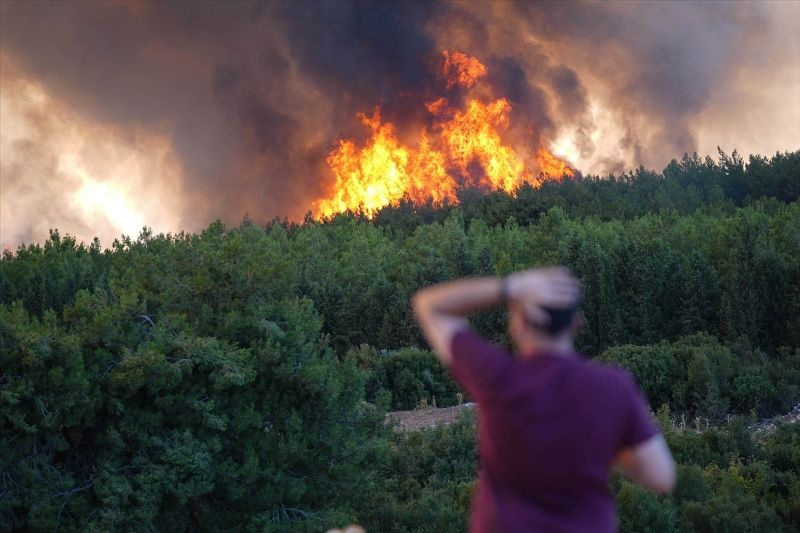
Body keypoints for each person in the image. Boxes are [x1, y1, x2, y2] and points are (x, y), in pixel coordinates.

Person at [411, 267, 675, 532]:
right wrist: (604, 445)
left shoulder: (498, 378)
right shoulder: (614, 387)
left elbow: (429, 305)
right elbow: (661, 476)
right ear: (576, 324)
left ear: (519, 324)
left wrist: (509, 288)